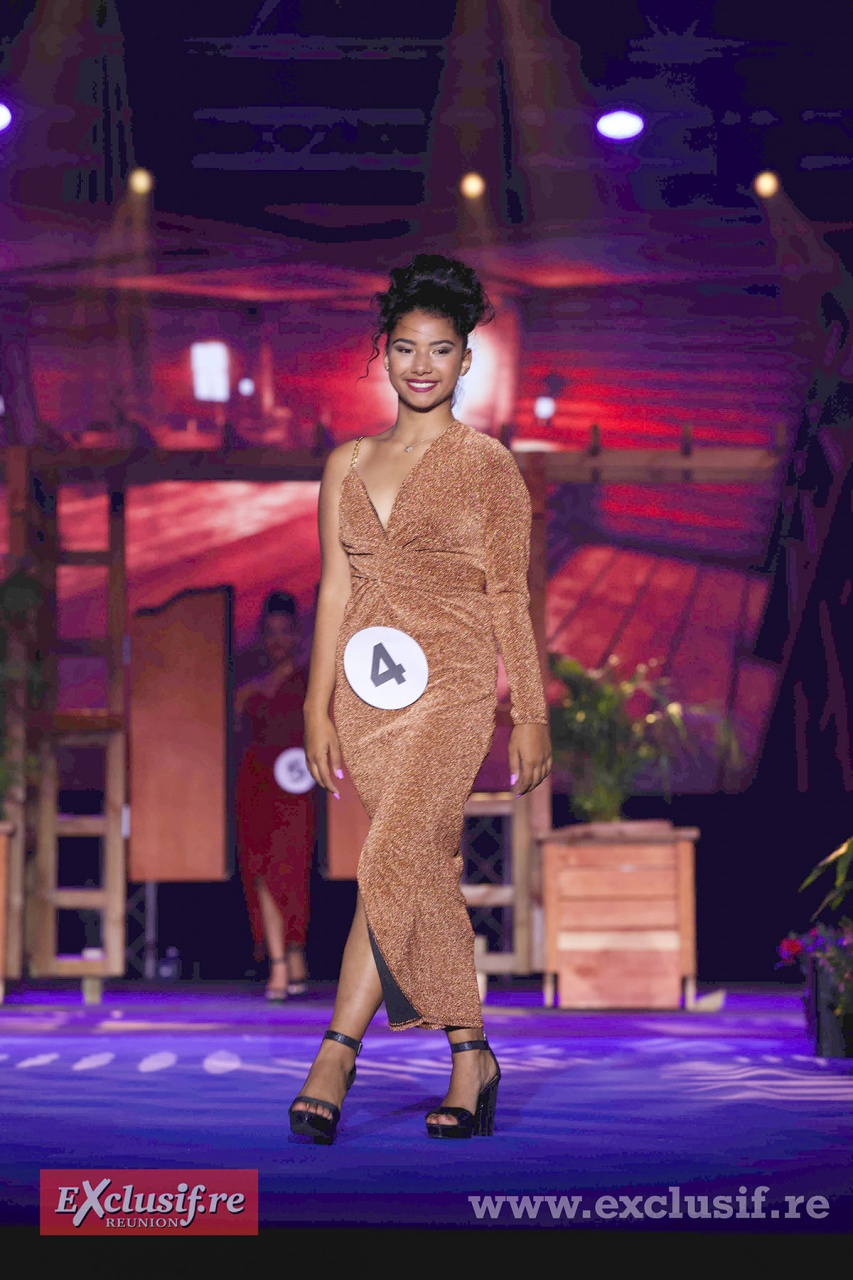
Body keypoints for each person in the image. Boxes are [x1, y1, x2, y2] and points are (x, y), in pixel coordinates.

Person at [289, 253, 551, 1142]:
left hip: (452, 686)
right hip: (366, 694)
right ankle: (471, 1056)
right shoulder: (346, 462)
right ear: (384, 354)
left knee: (391, 854)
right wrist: (315, 705)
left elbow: (509, 595)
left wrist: (529, 713)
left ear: (466, 359)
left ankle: (335, 1054)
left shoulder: (487, 467)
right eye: (405, 348)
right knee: (411, 866)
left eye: (441, 349)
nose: (422, 365)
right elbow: (333, 589)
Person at [235, 592, 314, 1000]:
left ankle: (295, 952)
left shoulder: (309, 680)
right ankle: (279, 962)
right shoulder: (248, 687)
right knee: (261, 870)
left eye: (285, 631)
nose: (278, 640)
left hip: (297, 787)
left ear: (298, 635)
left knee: (292, 871)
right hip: (255, 786)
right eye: (270, 632)